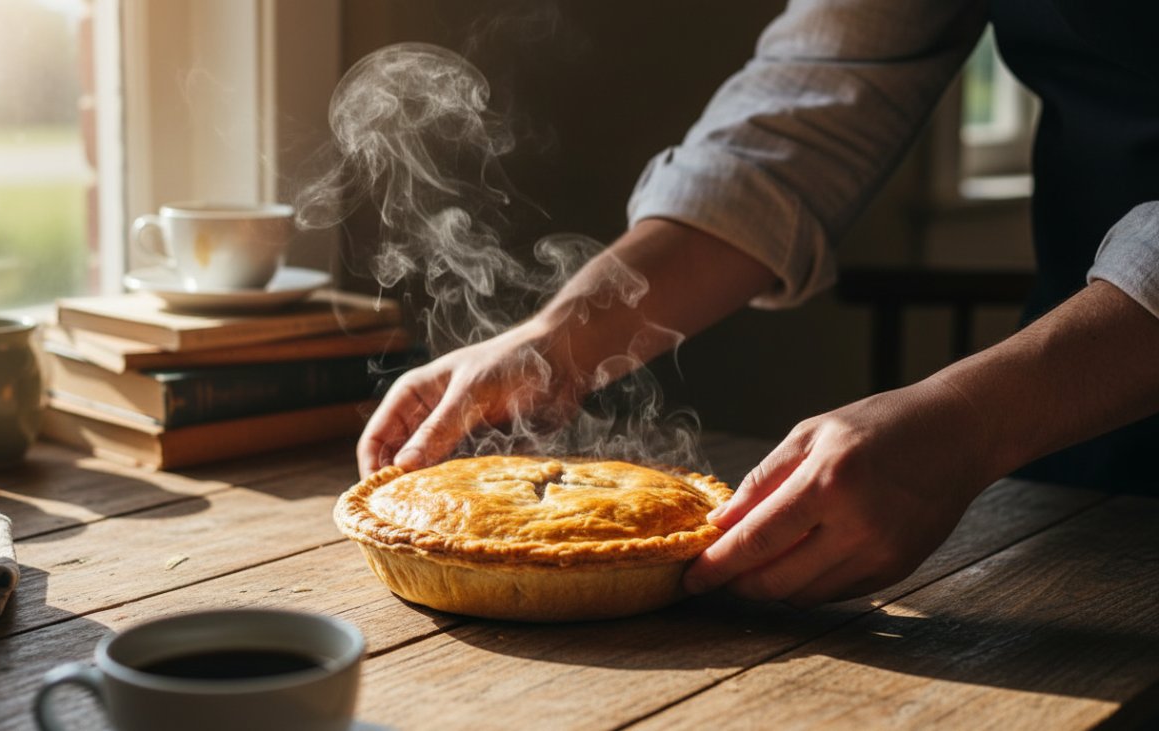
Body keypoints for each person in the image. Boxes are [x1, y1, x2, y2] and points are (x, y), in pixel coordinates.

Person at [356, 0, 1159, 606]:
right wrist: (554, 339)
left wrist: (971, 418)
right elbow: (816, 101)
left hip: (1072, 366)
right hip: (1075, 417)